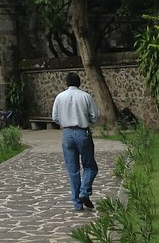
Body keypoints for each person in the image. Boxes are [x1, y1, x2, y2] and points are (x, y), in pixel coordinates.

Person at [51, 71, 100, 211]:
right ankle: (84, 191)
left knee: (73, 170)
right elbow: (95, 115)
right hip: (82, 132)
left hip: (67, 133)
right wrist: (87, 121)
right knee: (90, 166)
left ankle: (77, 203)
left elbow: (54, 117)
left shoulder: (60, 97)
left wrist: (64, 121)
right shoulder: (85, 96)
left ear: (66, 83)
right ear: (80, 83)